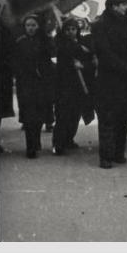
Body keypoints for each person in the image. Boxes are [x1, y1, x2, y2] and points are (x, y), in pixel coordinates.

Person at [91, 0, 127, 169]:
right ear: (114, 6)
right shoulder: (100, 25)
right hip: (109, 79)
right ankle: (105, 156)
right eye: (124, 4)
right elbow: (105, 54)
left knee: (122, 118)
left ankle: (118, 153)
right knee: (107, 118)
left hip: (126, 80)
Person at [12, 14, 55, 158]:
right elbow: (15, 62)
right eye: (28, 25)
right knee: (29, 116)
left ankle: (35, 142)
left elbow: (51, 56)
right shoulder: (20, 42)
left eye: (33, 25)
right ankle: (31, 147)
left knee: (38, 116)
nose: (30, 28)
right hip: (26, 83)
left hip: (41, 83)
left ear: (38, 26)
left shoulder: (44, 40)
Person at [51, 18, 96, 154]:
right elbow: (61, 54)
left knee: (74, 115)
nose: (71, 32)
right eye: (68, 30)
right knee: (63, 115)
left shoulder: (83, 42)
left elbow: (90, 59)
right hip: (64, 85)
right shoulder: (60, 42)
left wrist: (82, 65)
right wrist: (75, 49)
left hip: (79, 84)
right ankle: (58, 144)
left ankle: (69, 139)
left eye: (73, 29)